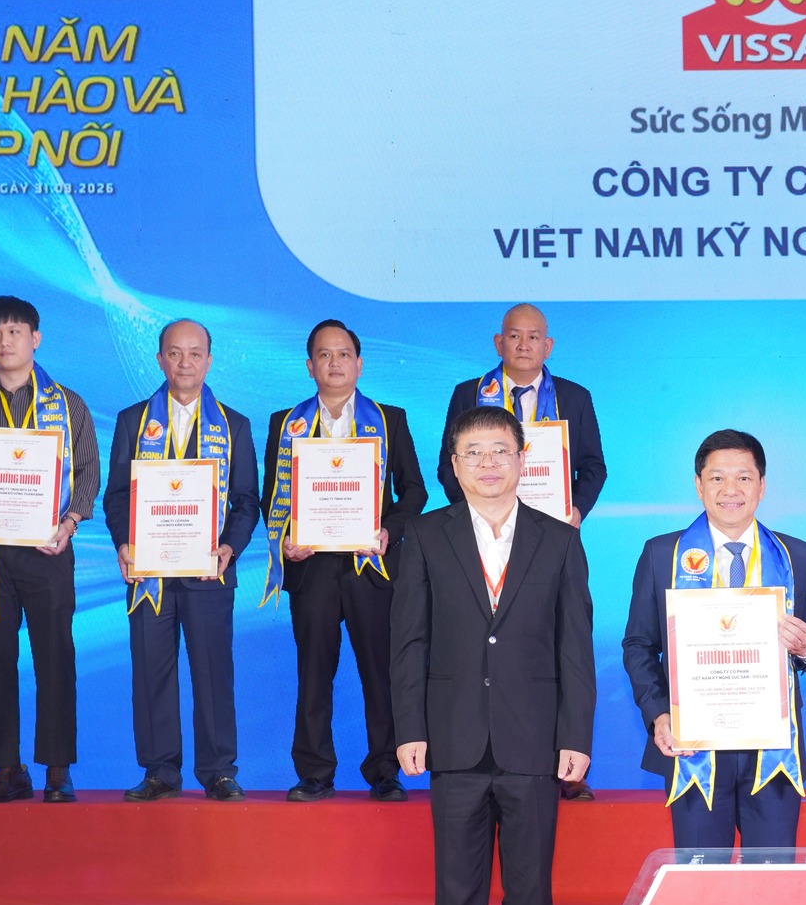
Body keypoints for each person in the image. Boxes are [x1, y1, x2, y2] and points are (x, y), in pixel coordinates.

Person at [620, 428, 806, 905]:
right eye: (717, 477)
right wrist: (657, 712)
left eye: (743, 477)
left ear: (762, 486)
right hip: (695, 751)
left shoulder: (797, 556)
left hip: (772, 754)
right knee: (700, 891)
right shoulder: (662, 554)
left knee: (774, 893)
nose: (730, 488)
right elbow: (638, 645)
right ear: (698, 485)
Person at [393, 405, 593, 905]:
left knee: (530, 893)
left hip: (533, 741)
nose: (487, 463)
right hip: (452, 739)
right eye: (473, 453)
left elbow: (574, 647)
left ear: (523, 460)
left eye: (500, 451)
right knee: (458, 892)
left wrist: (575, 735)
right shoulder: (426, 535)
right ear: (454, 466)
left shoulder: (559, 540)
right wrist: (410, 728)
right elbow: (409, 641)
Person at [0, 295, 100, 803]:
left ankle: (57, 768)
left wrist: (70, 523)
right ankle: (8, 768)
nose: (4, 342)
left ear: (35, 338)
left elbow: (88, 473)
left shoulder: (68, 404)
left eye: (14, 332)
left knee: (55, 656)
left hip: (48, 549)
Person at [437, 304, 605, 799]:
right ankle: (483, 760)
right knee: (489, 648)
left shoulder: (574, 397)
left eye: (534, 337)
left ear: (548, 346)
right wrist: (478, 518)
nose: (524, 344)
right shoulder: (468, 394)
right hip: (483, 541)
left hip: (551, 545)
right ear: (499, 342)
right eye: (514, 336)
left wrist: (575, 513)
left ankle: (567, 766)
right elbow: (449, 467)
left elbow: (594, 467)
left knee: (560, 646)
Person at [262, 319, 427, 801]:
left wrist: (388, 530)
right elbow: (273, 497)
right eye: (324, 355)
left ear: (359, 363)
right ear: (309, 366)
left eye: (343, 354)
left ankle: (385, 771)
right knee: (314, 672)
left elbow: (414, 491)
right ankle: (314, 772)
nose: (334, 363)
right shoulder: (284, 424)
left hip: (370, 567)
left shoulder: (389, 419)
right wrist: (285, 540)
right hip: (311, 567)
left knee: (380, 671)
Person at [103, 319, 261, 801]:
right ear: (160, 360)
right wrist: (123, 543)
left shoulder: (234, 425)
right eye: (175, 353)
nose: (185, 362)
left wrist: (230, 547)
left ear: (209, 361)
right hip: (148, 572)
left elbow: (247, 501)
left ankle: (219, 771)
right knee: (151, 671)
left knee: (213, 673)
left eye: (195, 353)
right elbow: (116, 496)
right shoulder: (133, 421)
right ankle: (160, 771)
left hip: (209, 572)